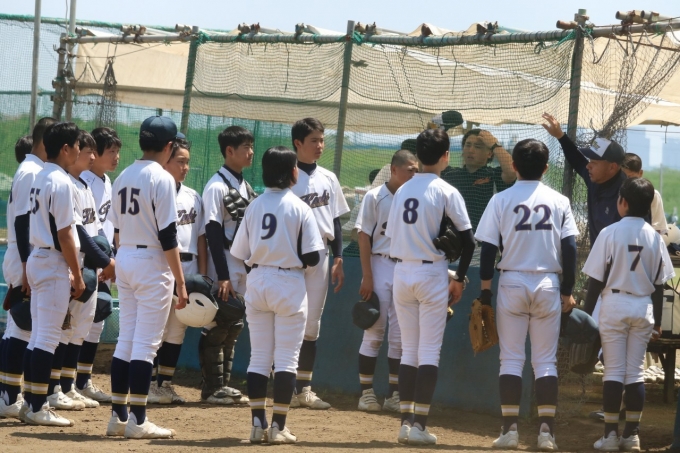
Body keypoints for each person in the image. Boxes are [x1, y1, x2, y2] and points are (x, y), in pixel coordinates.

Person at [475, 138, 579, 451]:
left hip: (512, 281)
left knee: (510, 360)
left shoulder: (501, 199)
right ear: (546, 168)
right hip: (548, 283)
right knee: (545, 362)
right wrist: (568, 290)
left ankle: (509, 431)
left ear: (514, 165)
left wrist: (485, 292)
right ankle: (546, 433)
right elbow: (570, 249)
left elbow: (488, 250)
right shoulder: (559, 200)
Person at [385, 128, 476, 445]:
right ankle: (420, 426)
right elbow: (468, 241)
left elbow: (392, 234)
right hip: (431, 274)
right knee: (428, 352)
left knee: (408, 350)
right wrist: (459, 278)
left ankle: (405, 424)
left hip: (401, 272)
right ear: (445, 156)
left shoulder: (402, 191)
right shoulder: (446, 190)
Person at [231, 146, 325, 444]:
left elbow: (240, 253)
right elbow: (313, 258)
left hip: (258, 280)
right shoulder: (300, 207)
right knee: (286, 359)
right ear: (292, 172)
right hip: (288, 282)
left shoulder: (254, 205)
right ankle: (278, 427)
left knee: (259, 357)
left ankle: (257, 424)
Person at [105, 116, 188, 439]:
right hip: (151, 260)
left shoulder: (123, 174)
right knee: (146, 344)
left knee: (127, 339)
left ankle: (118, 416)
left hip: (125, 255)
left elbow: (115, 229)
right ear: (169, 146)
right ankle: (138, 421)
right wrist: (181, 281)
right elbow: (168, 236)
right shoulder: (162, 178)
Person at [582, 178, 674, 452]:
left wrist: (586, 317)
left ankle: (610, 436)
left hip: (615, 304)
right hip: (643, 306)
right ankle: (632, 436)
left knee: (613, 370)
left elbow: (595, 282)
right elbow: (660, 285)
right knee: (635, 372)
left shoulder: (609, 232)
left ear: (622, 202)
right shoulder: (655, 238)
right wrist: (658, 322)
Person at [24, 121, 85, 426]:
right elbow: (65, 235)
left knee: (38, 336)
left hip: (38, 258)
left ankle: (30, 403)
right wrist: (78, 274)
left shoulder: (41, 175)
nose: (79, 150)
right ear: (65, 148)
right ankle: (37, 407)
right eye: (77, 145)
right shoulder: (61, 181)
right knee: (47, 338)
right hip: (52, 263)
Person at [289, 118, 350, 409]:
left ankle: (303, 389)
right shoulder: (287, 176)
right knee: (289, 319)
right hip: (291, 257)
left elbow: (335, 221)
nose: (320, 146)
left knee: (312, 324)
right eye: (314, 140)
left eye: (322, 140)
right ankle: (286, 386)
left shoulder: (329, 177)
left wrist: (339, 257)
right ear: (298, 143)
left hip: (322, 256)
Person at [354, 149, 418, 413]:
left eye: (417, 170)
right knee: (374, 330)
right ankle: (366, 393)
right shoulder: (375, 196)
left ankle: (394, 394)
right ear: (394, 170)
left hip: (404, 266)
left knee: (400, 335)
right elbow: (363, 236)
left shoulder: (415, 196)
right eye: (410, 169)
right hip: (379, 264)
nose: (414, 174)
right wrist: (367, 276)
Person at [0, 118, 55, 421]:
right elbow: (23, 222)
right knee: (22, 327)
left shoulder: (30, 168)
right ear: (46, 142)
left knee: (16, 328)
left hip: (23, 254)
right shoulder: (33, 171)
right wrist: (25, 266)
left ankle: (8, 395)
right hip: (24, 254)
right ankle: (10, 397)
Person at [56, 131, 116, 410]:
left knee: (80, 328)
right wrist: (104, 260)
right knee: (63, 330)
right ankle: (53, 388)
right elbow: (77, 230)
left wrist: (107, 258)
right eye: (87, 150)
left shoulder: (85, 186)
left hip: (90, 263)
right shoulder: (67, 184)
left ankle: (69, 386)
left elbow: (97, 228)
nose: (92, 156)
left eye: (93, 151)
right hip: (74, 264)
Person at [148, 137, 207, 405]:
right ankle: (149, 383)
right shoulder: (156, 191)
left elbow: (201, 237)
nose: (185, 167)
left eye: (187, 162)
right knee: (157, 328)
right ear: (166, 161)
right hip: (162, 264)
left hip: (189, 264)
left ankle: (165, 384)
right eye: (180, 161)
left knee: (176, 330)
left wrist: (202, 275)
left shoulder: (193, 196)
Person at [200, 126, 256, 405]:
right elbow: (212, 231)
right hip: (222, 261)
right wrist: (221, 275)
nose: (251, 152)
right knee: (218, 323)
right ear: (229, 151)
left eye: (251, 146)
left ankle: (223, 386)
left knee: (234, 324)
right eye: (245, 147)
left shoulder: (244, 185)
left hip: (241, 262)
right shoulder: (216, 186)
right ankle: (211, 389)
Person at [77, 127, 122, 403]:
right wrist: (104, 259)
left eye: (118, 151)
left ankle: (83, 380)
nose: (116, 157)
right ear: (93, 154)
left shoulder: (107, 181)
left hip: (105, 258)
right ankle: (67, 381)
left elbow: (111, 224)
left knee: (98, 316)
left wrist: (114, 256)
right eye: (111, 151)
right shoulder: (84, 180)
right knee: (79, 322)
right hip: (88, 258)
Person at [542, 113, 627, 244]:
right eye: (589, 160)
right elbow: (577, 160)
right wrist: (560, 136)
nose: (588, 166)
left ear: (612, 167)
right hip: (598, 254)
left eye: (594, 162)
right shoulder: (598, 178)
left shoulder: (627, 193)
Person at [441, 129, 515, 230]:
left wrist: (494, 145)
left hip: (485, 237)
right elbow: (426, 167)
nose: (471, 150)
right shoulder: (450, 174)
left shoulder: (494, 175)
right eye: (468, 145)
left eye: (477, 147)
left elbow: (512, 171)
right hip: (455, 238)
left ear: (489, 154)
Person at [621, 153, 668, 235]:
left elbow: (658, 228)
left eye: (630, 177)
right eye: (623, 177)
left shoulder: (652, 195)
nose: (626, 181)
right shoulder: (617, 193)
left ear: (640, 173)